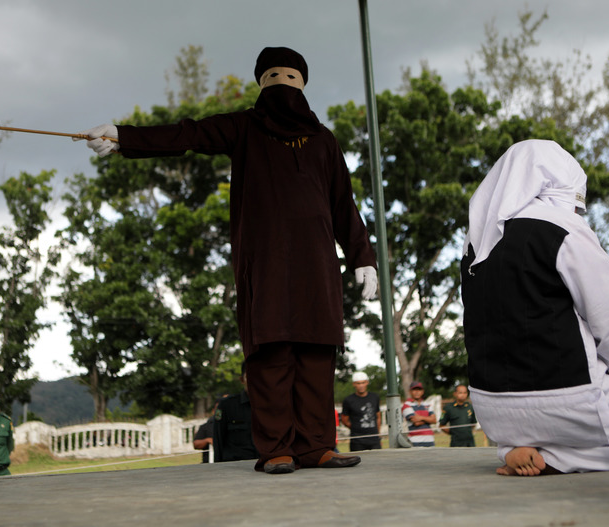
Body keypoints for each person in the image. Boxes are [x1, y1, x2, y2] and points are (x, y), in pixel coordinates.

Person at [78, 47, 377, 474]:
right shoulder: (243, 129)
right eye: (273, 77)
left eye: (289, 78)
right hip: (266, 263)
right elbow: (187, 135)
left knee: (315, 352)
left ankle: (316, 446)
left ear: (303, 85)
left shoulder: (324, 141)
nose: (282, 85)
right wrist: (124, 137)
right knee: (270, 353)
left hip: (317, 267)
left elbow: (343, 205)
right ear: (261, 84)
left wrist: (361, 256)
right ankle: (276, 448)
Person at [460, 140, 609, 476]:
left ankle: (519, 450)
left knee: (586, 426)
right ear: (558, 184)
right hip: (572, 401)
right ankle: (560, 458)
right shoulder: (563, 230)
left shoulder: (474, 245)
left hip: (494, 413)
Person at [213, 370, 259, 463]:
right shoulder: (226, 405)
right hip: (235, 467)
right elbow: (218, 439)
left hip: (264, 466)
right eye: (249, 377)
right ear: (242, 380)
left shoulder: (272, 406)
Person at [341, 371, 382, 451]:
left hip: (374, 439)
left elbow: (378, 416)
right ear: (354, 384)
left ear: (367, 383)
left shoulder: (374, 397)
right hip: (357, 441)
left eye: (363, 383)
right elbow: (344, 420)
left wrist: (378, 434)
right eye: (358, 383)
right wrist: (356, 428)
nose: (361, 386)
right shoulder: (348, 400)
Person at [401, 381, 436, 447]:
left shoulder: (428, 404)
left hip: (430, 440)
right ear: (410, 391)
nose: (417, 392)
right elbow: (416, 422)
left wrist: (420, 417)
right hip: (415, 441)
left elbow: (434, 420)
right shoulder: (406, 405)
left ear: (422, 391)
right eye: (414, 389)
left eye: (419, 389)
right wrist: (428, 419)